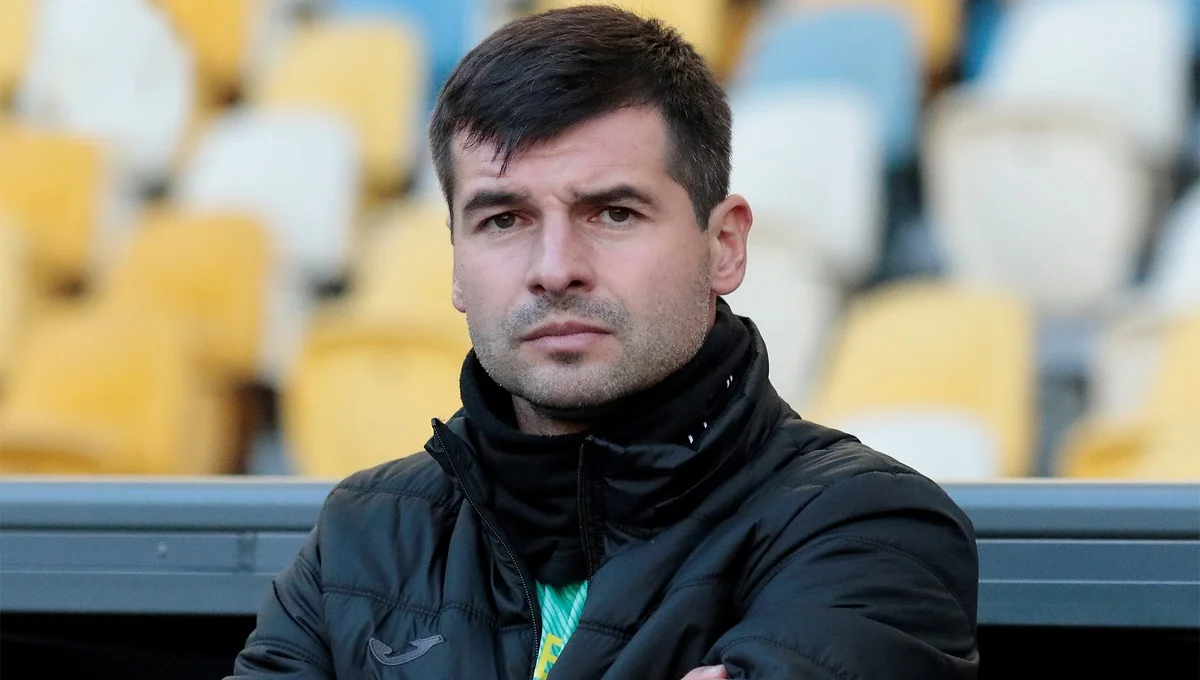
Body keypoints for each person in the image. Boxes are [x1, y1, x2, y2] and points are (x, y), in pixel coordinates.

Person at [229, 5, 979, 679]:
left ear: (724, 245)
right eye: (503, 220)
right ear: (455, 264)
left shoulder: (869, 530)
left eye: (614, 213)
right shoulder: (363, 536)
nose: (555, 268)